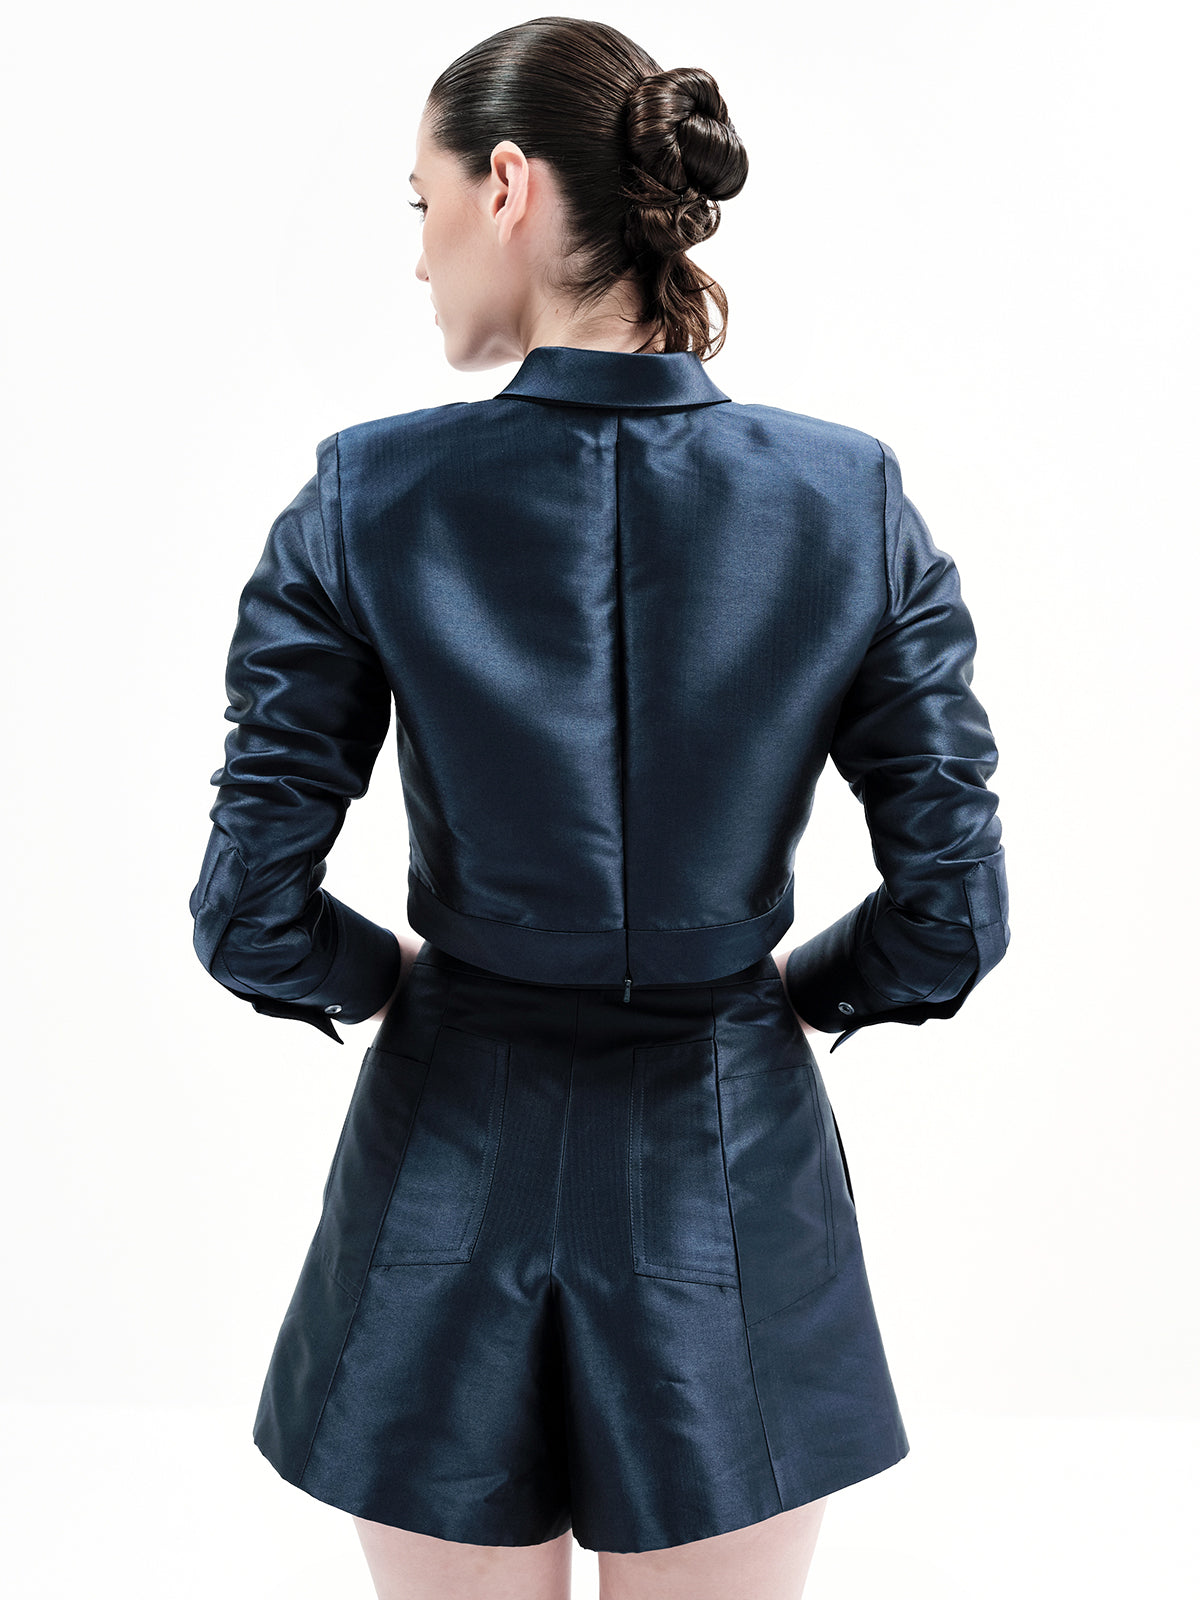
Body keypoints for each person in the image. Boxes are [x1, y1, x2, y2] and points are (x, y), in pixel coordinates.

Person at [188, 17, 1009, 1599]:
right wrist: (785, 993)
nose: (417, 253)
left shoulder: (364, 497)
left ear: (505, 186)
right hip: (728, 1168)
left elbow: (248, 916)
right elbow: (952, 917)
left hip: (446, 1155)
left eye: (420, 200)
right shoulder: (849, 501)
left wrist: (396, 978)